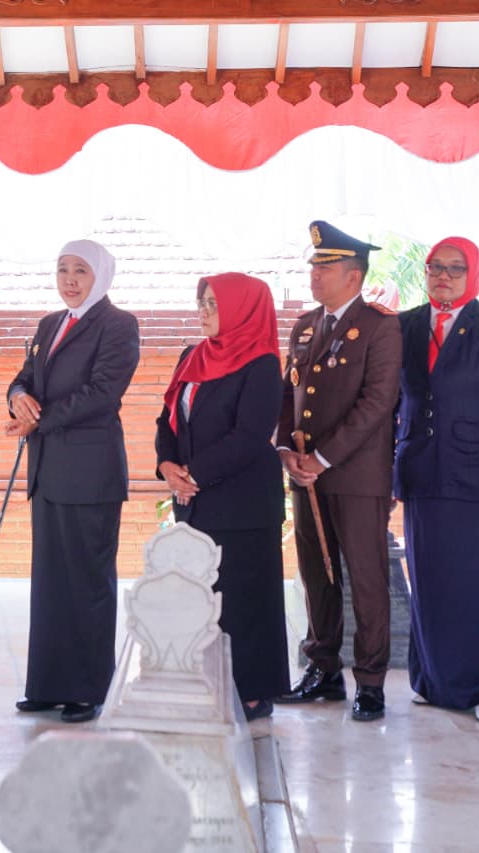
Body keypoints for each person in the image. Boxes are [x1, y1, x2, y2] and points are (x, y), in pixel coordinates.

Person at [6, 239, 139, 723]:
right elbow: (23, 378)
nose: (69, 279)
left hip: (91, 473)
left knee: (87, 582)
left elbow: (102, 394)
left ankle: (88, 689)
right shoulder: (49, 325)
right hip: (49, 472)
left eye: (79, 271)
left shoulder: (119, 325)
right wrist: (19, 398)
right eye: (62, 269)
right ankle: (46, 685)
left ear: (101, 275)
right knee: (50, 584)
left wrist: (38, 420)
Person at [274, 220, 401, 722]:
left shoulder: (380, 326)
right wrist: (287, 450)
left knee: (366, 578)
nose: (313, 275)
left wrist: (323, 458)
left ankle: (370, 682)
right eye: (312, 266)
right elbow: (289, 397)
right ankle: (322, 669)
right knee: (315, 575)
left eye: (324, 268)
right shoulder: (305, 325)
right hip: (305, 475)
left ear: (353, 274)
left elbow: (377, 404)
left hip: (355, 475)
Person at [156, 273, 288, 723]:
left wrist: (194, 472)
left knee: (245, 600)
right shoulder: (192, 356)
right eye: (202, 302)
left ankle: (251, 691)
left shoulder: (263, 364)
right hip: (196, 500)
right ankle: (208, 682)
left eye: (214, 303)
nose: (204, 311)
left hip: (244, 502)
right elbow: (166, 418)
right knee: (203, 598)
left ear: (243, 308)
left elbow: (250, 436)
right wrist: (166, 465)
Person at [394, 236, 479, 723]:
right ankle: (432, 681)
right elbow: (393, 403)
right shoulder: (404, 327)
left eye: (456, 269)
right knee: (430, 580)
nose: (443, 275)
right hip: (421, 471)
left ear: (473, 274)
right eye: (436, 266)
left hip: (478, 477)